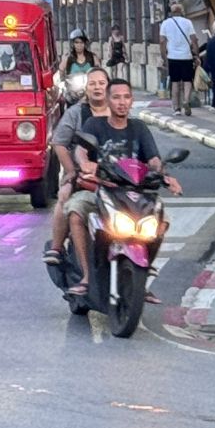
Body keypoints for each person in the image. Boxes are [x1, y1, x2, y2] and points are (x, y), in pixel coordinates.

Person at [66, 80, 183, 299]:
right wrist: (85, 163)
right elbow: (81, 151)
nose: (122, 102)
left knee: (161, 220)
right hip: (101, 190)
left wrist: (165, 176)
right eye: (116, 97)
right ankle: (86, 277)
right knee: (76, 210)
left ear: (132, 100)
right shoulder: (94, 124)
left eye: (126, 97)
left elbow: (154, 159)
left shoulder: (139, 128)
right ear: (108, 101)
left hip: (134, 193)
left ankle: (142, 272)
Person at [43, 66, 111, 269]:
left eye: (101, 83)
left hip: (114, 176)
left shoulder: (117, 111)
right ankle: (57, 247)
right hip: (83, 176)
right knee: (64, 196)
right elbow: (59, 142)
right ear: (86, 89)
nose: (97, 88)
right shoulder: (76, 114)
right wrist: (72, 170)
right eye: (93, 84)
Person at [160, 1, 199, 115]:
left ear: (171, 13)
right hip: (186, 56)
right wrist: (196, 54)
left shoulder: (166, 23)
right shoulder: (188, 22)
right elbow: (194, 39)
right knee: (187, 81)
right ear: (181, 12)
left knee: (175, 82)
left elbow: (162, 41)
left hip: (172, 56)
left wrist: (164, 56)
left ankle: (176, 108)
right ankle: (186, 100)